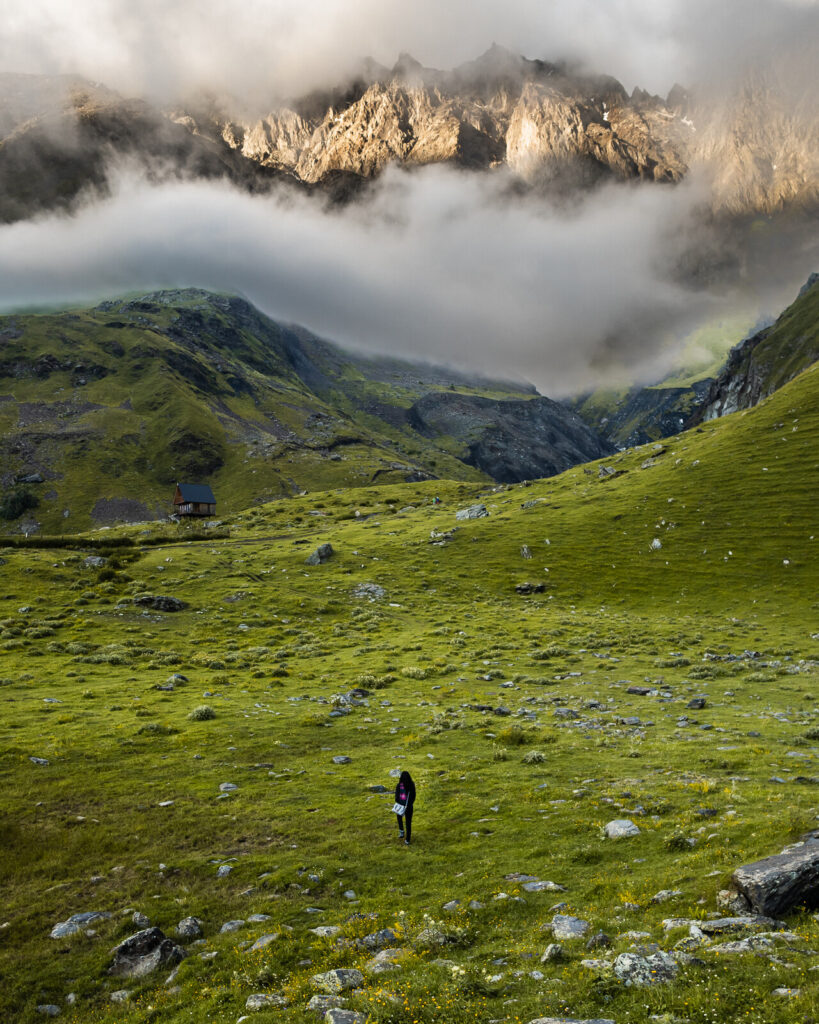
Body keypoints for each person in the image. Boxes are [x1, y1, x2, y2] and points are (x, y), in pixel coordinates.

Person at [394, 770, 416, 845]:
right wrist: (410, 804)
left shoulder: (399, 785)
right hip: (409, 807)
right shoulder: (411, 785)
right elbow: (413, 796)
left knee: (399, 818)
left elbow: (396, 796)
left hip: (400, 806)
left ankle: (401, 832)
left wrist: (398, 802)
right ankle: (407, 839)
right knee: (408, 822)